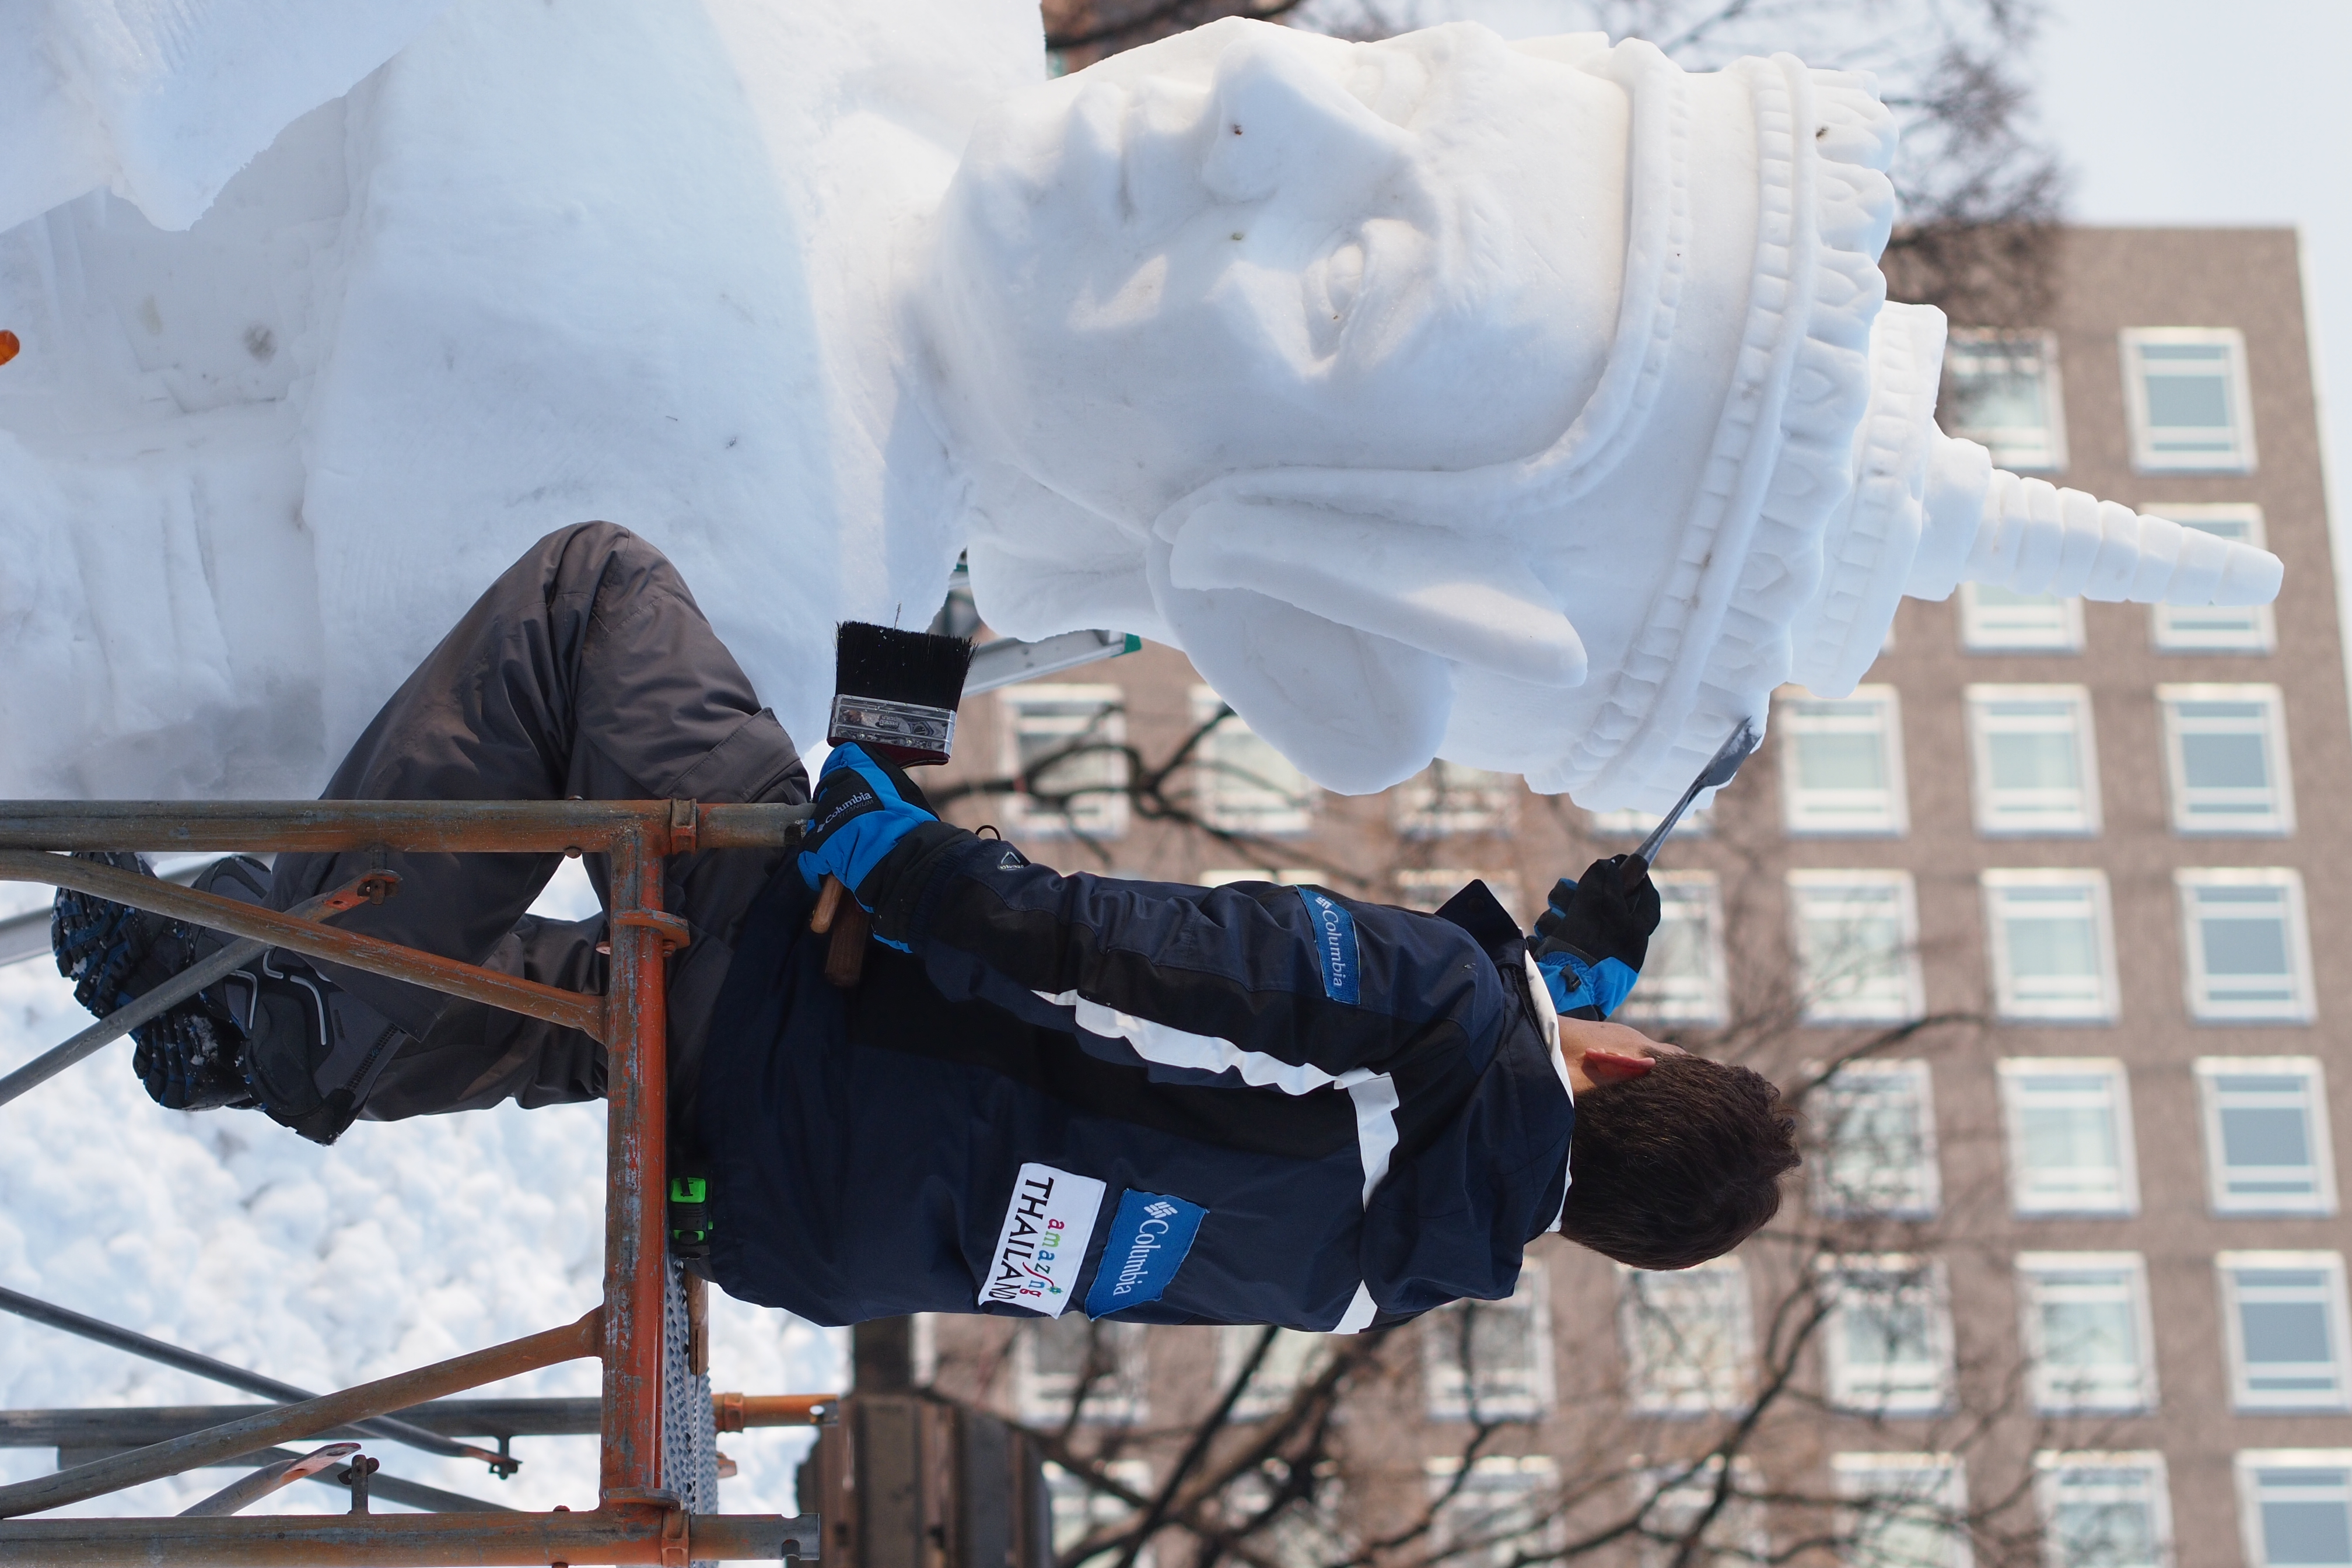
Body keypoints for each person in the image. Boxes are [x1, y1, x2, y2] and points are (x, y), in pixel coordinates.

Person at [52, 524, 1798, 1332]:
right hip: (799, 1219)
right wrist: (1552, 992)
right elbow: (1344, 1111)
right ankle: (275, 1009)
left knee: (595, 604)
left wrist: (909, 864)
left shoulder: (1435, 1027)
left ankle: (297, 1009)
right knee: (623, 989)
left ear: (1639, 1059)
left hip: (832, 1044)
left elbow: (1158, 967)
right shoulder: (1410, 1266)